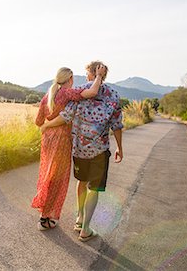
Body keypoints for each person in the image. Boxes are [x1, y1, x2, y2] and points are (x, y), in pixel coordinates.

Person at [40, 61, 123, 241]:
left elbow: (66, 116)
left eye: (87, 74)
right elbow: (117, 125)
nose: (86, 77)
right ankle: (85, 228)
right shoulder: (114, 95)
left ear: (91, 74)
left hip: (79, 150)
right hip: (100, 151)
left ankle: (79, 218)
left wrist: (47, 125)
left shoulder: (79, 92)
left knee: (82, 182)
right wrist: (120, 148)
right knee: (95, 188)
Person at [32, 66, 106, 230]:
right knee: (58, 178)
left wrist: (47, 124)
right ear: (70, 78)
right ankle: (46, 217)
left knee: (47, 174)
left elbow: (38, 122)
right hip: (61, 140)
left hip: (47, 139)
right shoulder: (66, 93)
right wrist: (99, 76)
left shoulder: (47, 96)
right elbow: (92, 92)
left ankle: (43, 213)